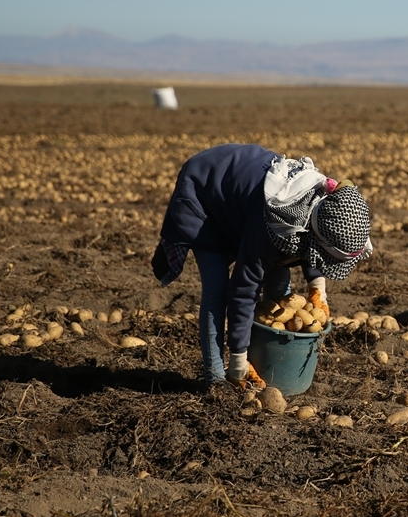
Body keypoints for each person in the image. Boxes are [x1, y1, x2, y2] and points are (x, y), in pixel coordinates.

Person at [151, 144, 372, 388]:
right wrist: (238, 358)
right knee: (217, 290)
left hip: (243, 199)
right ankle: (215, 377)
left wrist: (317, 289)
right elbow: (243, 291)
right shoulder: (272, 225)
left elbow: (315, 245)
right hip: (205, 191)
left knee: (279, 280)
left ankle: (269, 361)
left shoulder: (323, 205)